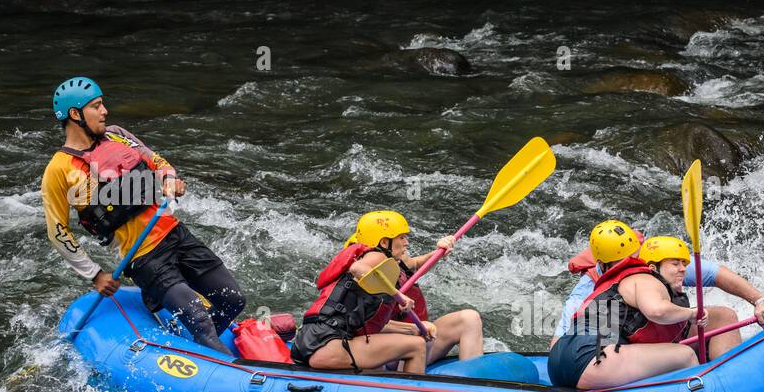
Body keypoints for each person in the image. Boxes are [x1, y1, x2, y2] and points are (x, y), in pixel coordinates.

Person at [40, 77, 245, 353]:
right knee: (199, 319)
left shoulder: (116, 135)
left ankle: (197, 349)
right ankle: (213, 353)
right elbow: (57, 231)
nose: (105, 111)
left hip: (175, 233)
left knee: (233, 300)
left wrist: (170, 178)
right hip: (143, 258)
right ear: (76, 114)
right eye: (96, 106)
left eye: (103, 105)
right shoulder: (59, 169)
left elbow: (156, 161)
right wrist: (96, 274)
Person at [291, 209, 484, 373]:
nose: (407, 242)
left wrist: (440, 251)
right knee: (416, 346)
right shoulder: (375, 257)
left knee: (468, 318)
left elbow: (414, 264)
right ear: (384, 243)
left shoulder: (390, 261)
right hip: (329, 344)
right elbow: (357, 269)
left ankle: (468, 387)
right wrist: (398, 295)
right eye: (401, 237)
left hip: (314, 340)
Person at [552, 230, 764, 358]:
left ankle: (724, 374)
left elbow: (715, 274)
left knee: (723, 316)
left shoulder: (656, 264)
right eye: (621, 261)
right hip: (625, 350)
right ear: (602, 265)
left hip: (656, 333)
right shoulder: (586, 291)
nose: (629, 266)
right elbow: (561, 344)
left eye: (633, 257)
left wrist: (759, 300)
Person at [547, 220, 703, 390]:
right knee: (685, 355)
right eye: (675, 264)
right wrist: (691, 313)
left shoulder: (601, 288)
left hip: (556, 362)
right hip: (592, 358)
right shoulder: (641, 277)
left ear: (600, 262)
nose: (682, 269)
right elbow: (656, 311)